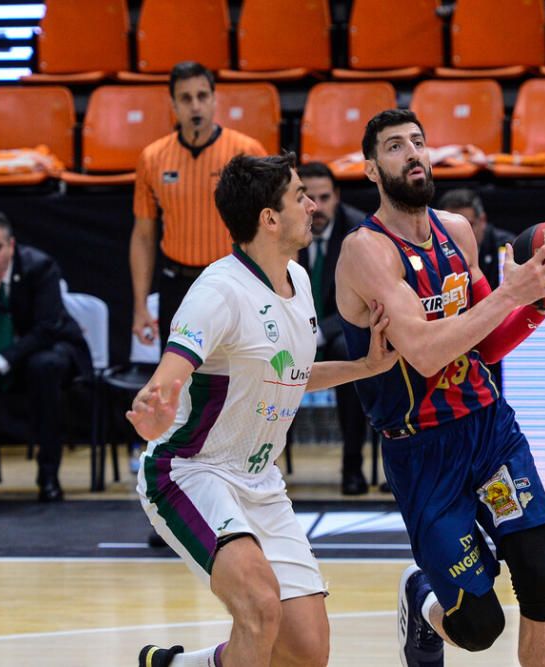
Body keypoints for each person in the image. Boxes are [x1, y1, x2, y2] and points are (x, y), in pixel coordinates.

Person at [128, 153, 398, 667]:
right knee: (258, 608)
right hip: (191, 472)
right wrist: (156, 401)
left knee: (306, 651)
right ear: (269, 218)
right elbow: (173, 369)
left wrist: (365, 365)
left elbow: (287, 376)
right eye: (300, 195)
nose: (313, 204)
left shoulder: (297, 282)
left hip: (261, 482)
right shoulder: (218, 292)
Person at [334, 109, 545, 667]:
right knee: (478, 625)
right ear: (372, 170)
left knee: (539, 575)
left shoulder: (458, 231)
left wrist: (540, 306)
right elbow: (422, 353)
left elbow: (486, 345)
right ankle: (419, 599)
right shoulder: (366, 251)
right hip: (422, 448)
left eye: (418, 142)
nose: (413, 153)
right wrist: (511, 293)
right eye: (395, 147)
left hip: (489, 429)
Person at [130, 60, 267, 351]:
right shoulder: (152, 158)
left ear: (215, 100)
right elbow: (143, 235)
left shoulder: (246, 152)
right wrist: (140, 305)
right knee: (177, 383)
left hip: (234, 282)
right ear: (173, 105)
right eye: (186, 98)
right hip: (177, 285)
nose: (195, 106)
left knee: (237, 380)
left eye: (202, 96)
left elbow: (271, 227)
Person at [0, 210, 92, 502]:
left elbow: (46, 328)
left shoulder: (40, 266)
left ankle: (48, 475)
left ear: (11, 245)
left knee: (44, 367)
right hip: (5, 357)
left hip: (52, 349)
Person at [295, 161, 371, 495]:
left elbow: (366, 301)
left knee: (347, 353)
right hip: (290, 326)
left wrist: (319, 331)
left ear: (337, 197)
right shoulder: (283, 228)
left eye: (325, 197)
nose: (318, 206)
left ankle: (352, 465)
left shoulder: (359, 232)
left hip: (342, 327)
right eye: (308, 197)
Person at [437, 188, 514, 385]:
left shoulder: (508, 249)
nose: (458, 232)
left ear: (482, 221)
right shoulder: (434, 254)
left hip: (501, 334)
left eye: (467, 224)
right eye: (448, 228)